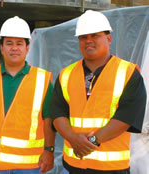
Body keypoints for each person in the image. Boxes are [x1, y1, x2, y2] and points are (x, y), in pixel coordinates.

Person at [51, 10, 147, 174]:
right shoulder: (66, 75)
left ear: (108, 38)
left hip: (111, 168)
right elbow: (57, 112)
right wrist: (74, 139)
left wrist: (92, 142)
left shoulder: (128, 73)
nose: (88, 41)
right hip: (73, 165)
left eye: (94, 35)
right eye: (83, 37)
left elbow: (126, 117)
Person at [0, 16, 56, 173]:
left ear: (27, 47)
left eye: (19, 43)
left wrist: (49, 150)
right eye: (9, 43)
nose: (14, 48)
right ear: (1, 48)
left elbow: (49, 119)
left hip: (29, 164)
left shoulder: (42, 80)